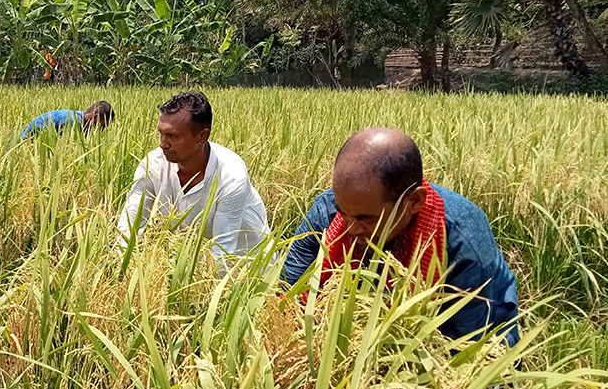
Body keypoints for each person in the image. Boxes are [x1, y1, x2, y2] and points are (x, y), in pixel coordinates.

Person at [283, 127, 520, 345]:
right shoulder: (328, 211)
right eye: (345, 213)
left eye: (367, 219)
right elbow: (287, 293)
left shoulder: (461, 243)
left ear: (414, 201)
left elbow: (464, 346)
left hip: (465, 323)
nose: (351, 228)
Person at [117, 91, 270, 265]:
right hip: (193, 259)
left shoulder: (231, 176)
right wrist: (121, 271)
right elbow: (129, 227)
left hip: (248, 263)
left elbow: (222, 254)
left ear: (202, 136)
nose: (163, 144)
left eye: (173, 136)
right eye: (161, 133)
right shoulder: (152, 165)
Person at [19, 100, 114, 139]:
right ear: (95, 116)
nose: (101, 130)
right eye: (102, 125)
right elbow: (62, 150)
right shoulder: (72, 122)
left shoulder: (78, 119)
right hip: (22, 143)